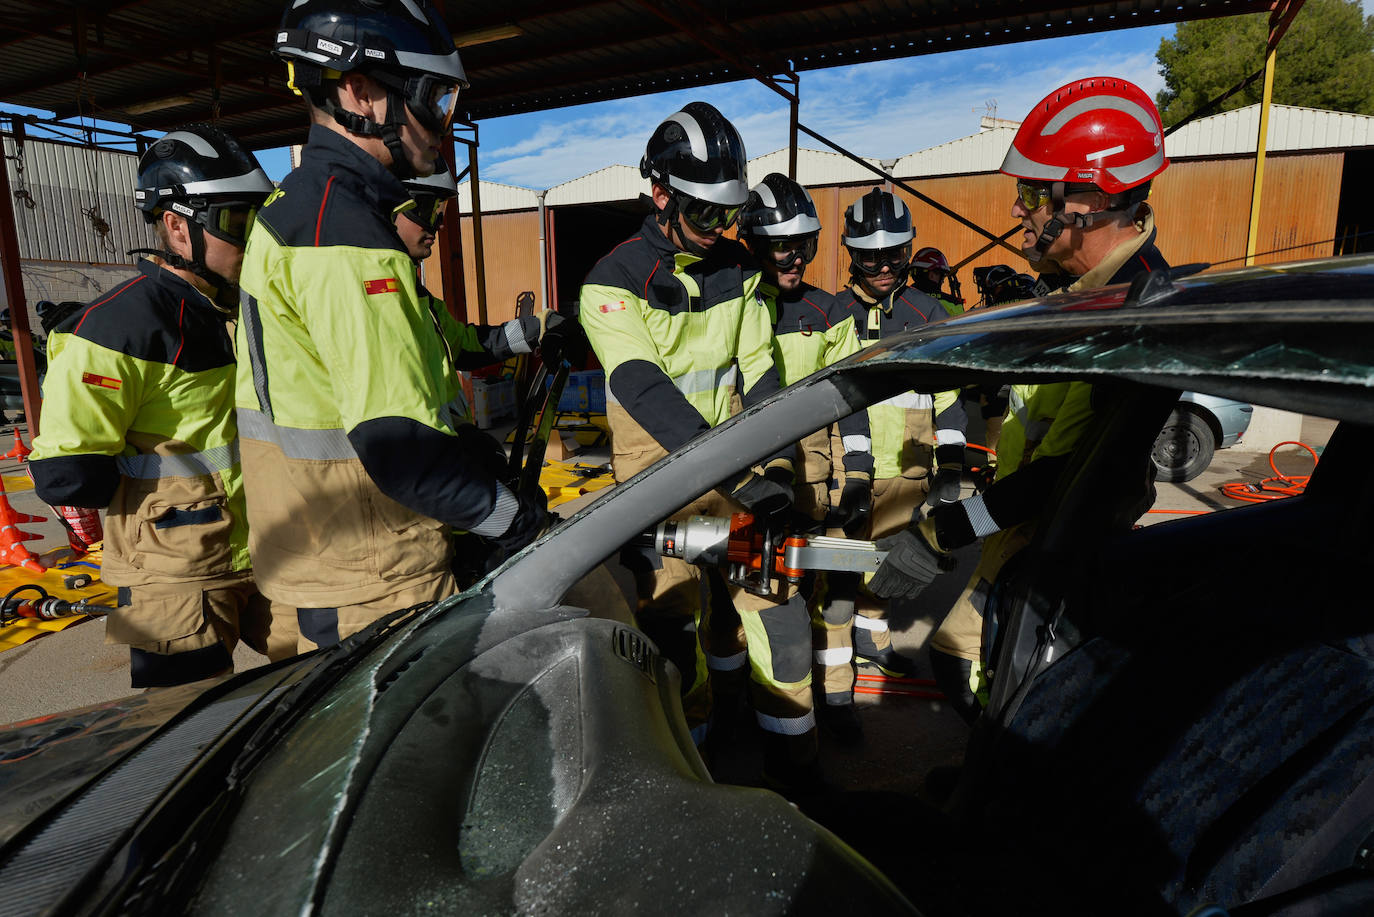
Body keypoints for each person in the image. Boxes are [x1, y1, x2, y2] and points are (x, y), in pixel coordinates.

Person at [236, 0, 547, 657]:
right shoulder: (343, 237)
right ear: (362, 93)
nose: (446, 125)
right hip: (373, 576)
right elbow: (400, 448)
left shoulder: (305, 212)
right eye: (436, 98)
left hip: (338, 556)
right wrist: (514, 520)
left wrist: (466, 445)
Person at [869, 76, 1170, 723]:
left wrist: (941, 530)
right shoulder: (1086, 287)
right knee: (965, 665)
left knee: (1000, 683)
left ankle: (1004, 792)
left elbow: (1066, 476)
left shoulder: (1134, 314)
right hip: (1024, 533)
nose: (1016, 212)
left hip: (1060, 548)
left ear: (1088, 199)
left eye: (1032, 195)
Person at [578, 101, 796, 769]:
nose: (720, 229)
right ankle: (693, 765)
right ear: (661, 195)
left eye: (730, 214)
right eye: (706, 213)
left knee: (774, 617)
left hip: (733, 461)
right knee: (676, 628)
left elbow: (762, 375)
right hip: (656, 482)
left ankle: (795, 758)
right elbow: (645, 391)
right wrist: (738, 476)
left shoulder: (741, 273)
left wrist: (780, 468)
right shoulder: (611, 283)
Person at [29, 123, 283, 687]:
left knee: (325, 699)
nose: (253, 241)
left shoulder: (249, 310)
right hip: (173, 573)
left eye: (260, 222)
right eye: (238, 223)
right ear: (176, 226)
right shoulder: (116, 327)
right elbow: (68, 476)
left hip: (274, 545)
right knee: (182, 732)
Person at [738, 172, 873, 753]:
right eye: (780, 246)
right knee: (751, 602)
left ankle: (836, 698)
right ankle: (741, 707)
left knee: (837, 592)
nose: (794, 258)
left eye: (804, 245)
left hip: (820, 482)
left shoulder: (830, 310)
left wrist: (861, 473)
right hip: (752, 488)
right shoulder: (734, 305)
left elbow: (854, 399)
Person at [832, 188, 968, 681]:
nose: (884, 266)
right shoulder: (833, 313)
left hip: (909, 470)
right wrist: (851, 473)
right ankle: (832, 666)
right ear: (853, 255)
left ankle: (874, 642)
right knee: (839, 571)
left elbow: (948, 397)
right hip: (849, 469)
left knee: (886, 566)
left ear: (908, 250)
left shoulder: (927, 314)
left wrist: (950, 467)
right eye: (870, 257)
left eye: (893, 254)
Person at [396, 158, 583, 386]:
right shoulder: (359, 290)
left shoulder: (416, 295)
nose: (439, 224)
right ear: (390, 206)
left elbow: (466, 346)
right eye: (428, 209)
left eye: (441, 210)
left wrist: (538, 327)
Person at [910, 246, 964, 316]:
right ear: (931, 275)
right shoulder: (953, 303)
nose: (942, 281)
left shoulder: (901, 300)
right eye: (942, 275)